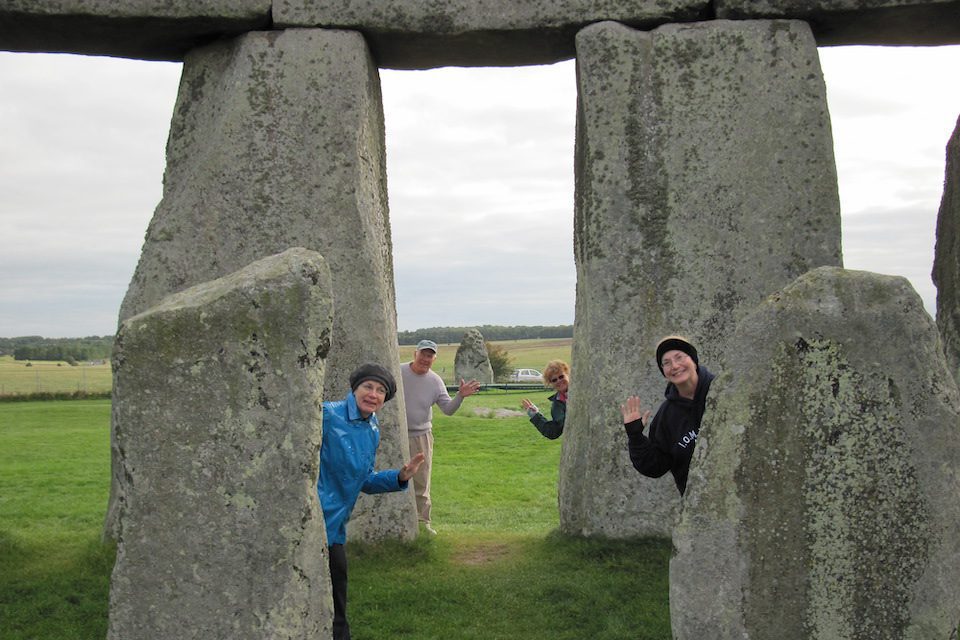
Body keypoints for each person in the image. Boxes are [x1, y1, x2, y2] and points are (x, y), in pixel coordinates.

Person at [319, 363, 425, 640]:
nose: (374, 394)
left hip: (335, 526)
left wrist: (399, 477)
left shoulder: (371, 428)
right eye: (368, 386)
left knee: (338, 591)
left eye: (381, 391)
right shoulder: (326, 415)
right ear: (354, 389)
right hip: (313, 518)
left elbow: (364, 480)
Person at [400, 339, 481, 535]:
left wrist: (460, 396)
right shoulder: (397, 372)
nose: (425, 359)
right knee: (393, 476)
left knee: (421, 481)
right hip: (396, 435)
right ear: (415, 353)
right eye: (423, 354)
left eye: (430, 355)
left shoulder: (435, 381)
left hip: (421, 437)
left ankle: (423, 522)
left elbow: (448, 409)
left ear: (434, 358)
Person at [620, 336, 715, 496]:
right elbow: (656, 466)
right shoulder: (666, 416)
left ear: (693, 360)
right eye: (667, 363)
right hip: (700, 504)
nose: (675, 366)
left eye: (679, 357)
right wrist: (635, 435)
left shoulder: (721, 392)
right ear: (664, 372)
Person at [520, 359, 569, 439]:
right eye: (554, 380)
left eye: (561, 376)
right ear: (551, 383)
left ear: (567, 374)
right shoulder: (557, 405)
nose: (559, 381)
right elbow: (552, 432)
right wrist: (535, 415)